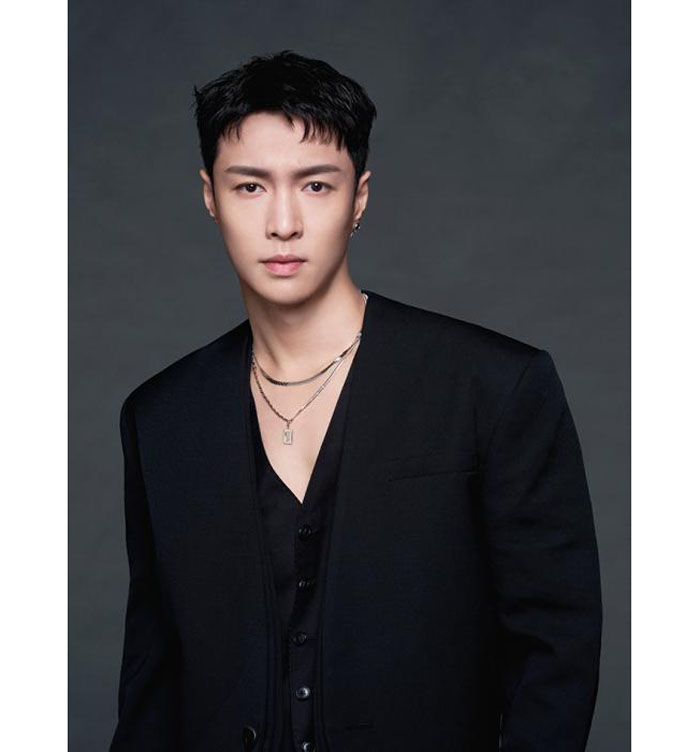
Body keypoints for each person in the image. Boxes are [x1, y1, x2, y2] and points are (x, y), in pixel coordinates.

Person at [109, 50, 602, 752]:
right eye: (250, 187)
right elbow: (152, 684)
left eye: (315, 185)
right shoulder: (161, 418)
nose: (283, 222)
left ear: (358, 198)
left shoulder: (492, 386)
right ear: (210, 196)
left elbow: (555, 652)